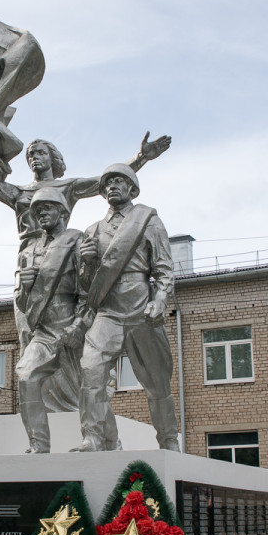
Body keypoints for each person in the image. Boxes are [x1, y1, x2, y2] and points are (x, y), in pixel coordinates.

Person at [0, 106, 170, 411]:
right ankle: (38, 398)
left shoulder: (66, 186)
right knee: (30, 328)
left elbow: (106, 181)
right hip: (29, 261)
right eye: (30, 154)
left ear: (54, 158)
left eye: (40, 151)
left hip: (63, 260)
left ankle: (74, 402)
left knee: (67, 331)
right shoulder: (19, 193)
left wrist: (141, 158)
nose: (34, 157)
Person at [75, 163, 179, 452]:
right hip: (107, 312)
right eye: (108, 182)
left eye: (120, 181)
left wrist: (160, 300)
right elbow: (85, 287)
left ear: (132, 188)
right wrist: (86, 264)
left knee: (157, 383)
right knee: (91, 371)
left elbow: (164, 269)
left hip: (140, 309)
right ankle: (95, 438)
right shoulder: (93, 230)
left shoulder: (148, 221)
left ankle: (169, 439)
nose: (112, 186)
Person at [13, 189, 88, 453]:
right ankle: (39, 444)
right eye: (37, 210)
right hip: (44, 331)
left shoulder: (76, 240)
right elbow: (22, 303)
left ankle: (103, 440)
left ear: (63, 211)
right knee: (26, 375)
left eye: (47, 207)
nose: (42, 213)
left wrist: (79, 324)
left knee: (90, 386)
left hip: (71, 323)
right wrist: (25, 287)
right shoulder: (29, 251)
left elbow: (88, 288)